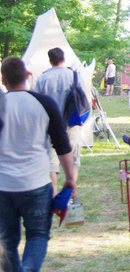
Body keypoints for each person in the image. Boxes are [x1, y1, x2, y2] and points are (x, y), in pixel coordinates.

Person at [0, 57, 76, 272]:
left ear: (4, 80)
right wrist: (70, 178)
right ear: (28, 76)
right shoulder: (45, 103)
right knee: (38, 235)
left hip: (3, 185)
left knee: (7, 239)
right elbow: (62, 144)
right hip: (37, 183)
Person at [33, 47, 83, 191]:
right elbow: (82, 100)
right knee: (73, 160)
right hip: (71, 122)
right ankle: (70, 194)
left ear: (50, 61)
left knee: (51, 163)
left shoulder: (42, 78)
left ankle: (54, 194)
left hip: (49, 125)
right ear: (64, 58)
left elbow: (37, 103)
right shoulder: (74, 76)